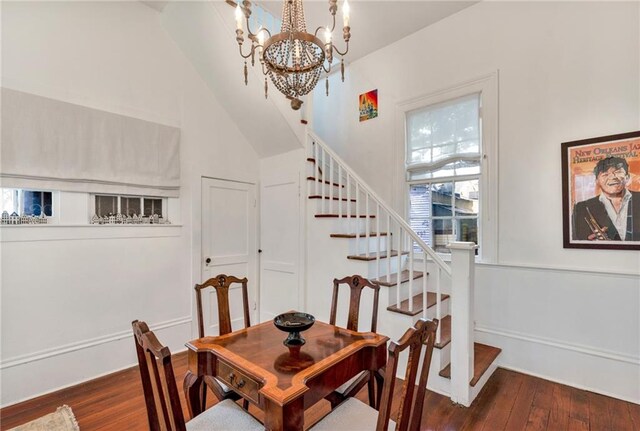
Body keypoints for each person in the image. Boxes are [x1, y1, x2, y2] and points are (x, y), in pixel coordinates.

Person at [572, 156, 640, 241]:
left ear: (627, 177)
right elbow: (576, 239)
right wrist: (588, 241)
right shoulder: (582, 208)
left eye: (618, 172)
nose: (612, 177)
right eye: (605, 174)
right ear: (597, 181)